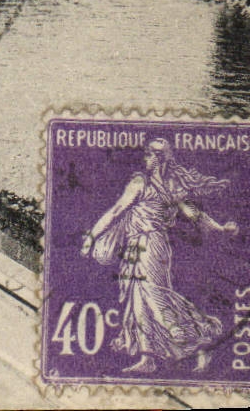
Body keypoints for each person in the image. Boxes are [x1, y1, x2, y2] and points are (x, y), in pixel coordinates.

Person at [80, 136, 236, 373]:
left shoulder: (146, 184)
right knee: (138, 301)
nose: (146, 159)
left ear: (159, 158)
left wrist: (92, 236)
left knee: (154, 297)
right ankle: (148, 358)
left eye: (149, 155)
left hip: (151, 245)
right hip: (137, 245)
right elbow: (194, 215)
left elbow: (116, 211)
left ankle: (200, 343)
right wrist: (220, 227)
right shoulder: (159, 184)